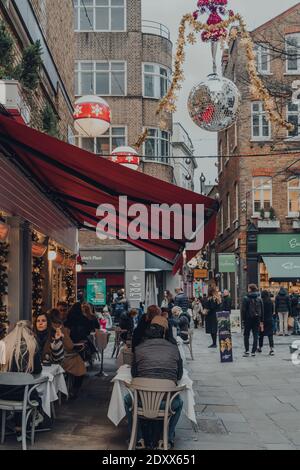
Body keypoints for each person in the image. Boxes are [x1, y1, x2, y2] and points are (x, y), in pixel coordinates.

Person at [125, 315, 183, 450]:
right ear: (165, 332)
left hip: (142, 400)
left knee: (128, 400)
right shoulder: (174, 349)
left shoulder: (139, 348)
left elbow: (135, 374)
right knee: (179, 403)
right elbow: (179, 375)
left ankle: (138, 438)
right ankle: (166, 439)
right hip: (166, 401)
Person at [0, 321, 42, 437]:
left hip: (3, 394)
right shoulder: (32, 346)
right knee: (28, 390)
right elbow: (38, 371)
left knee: (20, 388)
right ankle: (22, 426)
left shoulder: (4, 344)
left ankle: (12, 425)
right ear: (30, 331)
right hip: (23, 395)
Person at [47, 310, 87, 398]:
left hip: (50, 359)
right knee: (80, 365)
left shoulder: (47, 328)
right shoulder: (61, 328)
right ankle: (74, 390)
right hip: (63, 359)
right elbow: (69, 346)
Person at [241, 284, 264, 357]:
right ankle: (253, 351)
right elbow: (262, 310)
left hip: (248, 319)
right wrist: (261, 320)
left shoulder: (246, 298)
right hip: (257, 319)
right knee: (255, 335)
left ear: (250, 289)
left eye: (248, 288)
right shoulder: (259, 298)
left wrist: (243, 319)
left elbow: (243, 310)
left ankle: (247, 351)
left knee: (246, 335)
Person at [257, 291, 275, 356]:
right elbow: (273, 310)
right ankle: (271, 349)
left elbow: (260, 311)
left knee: (261, 334)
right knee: (270, 335)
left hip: (262, 320)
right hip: (270, 319)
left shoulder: (261, 301)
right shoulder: (270, 301)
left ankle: (260, 347)